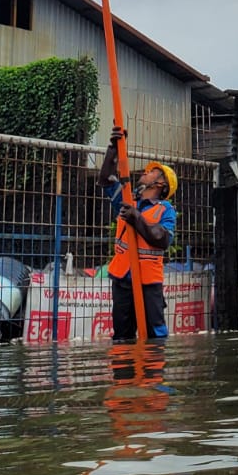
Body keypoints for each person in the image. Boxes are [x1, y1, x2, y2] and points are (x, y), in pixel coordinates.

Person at [99, 126, 177, 341]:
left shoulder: (166, 209)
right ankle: (125, 373)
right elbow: (106, 179)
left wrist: (137, 218)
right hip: (123, 279)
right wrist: (113, 148)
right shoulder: (128, 200)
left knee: (155, 335)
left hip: (148, 284)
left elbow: (162, 239)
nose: (145, 171)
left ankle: (152, 372)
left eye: (152, 171)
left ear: (161, 183)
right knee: (122, 336)